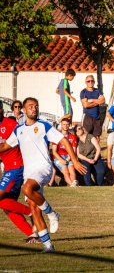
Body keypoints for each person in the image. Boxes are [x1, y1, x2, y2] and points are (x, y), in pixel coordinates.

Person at [0, 97, 86, 253]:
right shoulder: (18, 130)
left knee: (26, 189)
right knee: (34, 208)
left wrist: (75, 160)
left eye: (36, 106)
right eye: (31, 106)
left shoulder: (43, 126)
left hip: (43, 168)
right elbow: (6, 145)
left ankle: (53, 214)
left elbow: (64, 141)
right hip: (29, 172)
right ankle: (48, 247)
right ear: (24, 111)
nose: (34, 108)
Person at [0, 100, 39, 243]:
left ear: (1, 110)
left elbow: (25, 137)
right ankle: (33, 234)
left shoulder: (10, 124)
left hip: (17, 167)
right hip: (8, 169)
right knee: (6, 204)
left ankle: (30, 212)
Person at [52, 118, 78, 187]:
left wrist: (69, 158)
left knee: (72, 170)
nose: (65, 126)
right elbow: (54, 152)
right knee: (66, 172)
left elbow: (74, 151)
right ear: (61, 125)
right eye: (64, 124)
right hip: (59, 157)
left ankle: (73, 185)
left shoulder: (73, 137)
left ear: (69, 125)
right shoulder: (56, 136)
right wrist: (61, 160)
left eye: (67, 124)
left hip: (69, 156)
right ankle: (73, 185)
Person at [80, 75, 106, 140]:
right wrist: (97, 102)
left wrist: (91, 100)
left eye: (92, 81)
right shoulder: (83, 92)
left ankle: (96, 150)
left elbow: (103, 101)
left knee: (97, 137)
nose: (90, 82)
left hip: (97, 117)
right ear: (86, 82)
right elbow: (85, 105)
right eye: (88, 81)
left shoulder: (97, 91)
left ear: (94, 82)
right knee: (85, 136)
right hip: (87, 117)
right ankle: (85, 150)